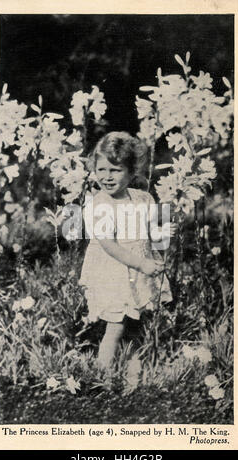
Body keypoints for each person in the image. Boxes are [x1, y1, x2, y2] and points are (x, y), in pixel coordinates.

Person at [79, 131, 176, 369]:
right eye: (101, 169)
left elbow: (147, 231)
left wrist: (162, 233)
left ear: (132, 172)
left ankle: (132, 368)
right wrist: (142, 264)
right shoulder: (100, 205)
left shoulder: (142, 198)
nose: (107, 176)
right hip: (114, 273)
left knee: (135, 321)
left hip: (136, 272)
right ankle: (102, 374)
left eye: (115, 170)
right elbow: (110, 246)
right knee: (116, 325)